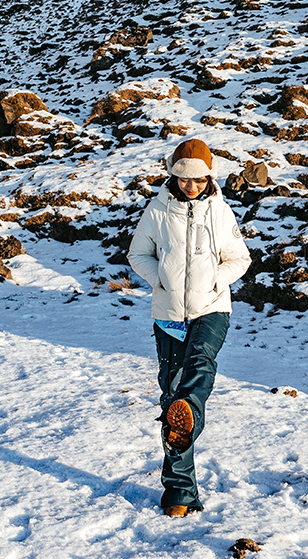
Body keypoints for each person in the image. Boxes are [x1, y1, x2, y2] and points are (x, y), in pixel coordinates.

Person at [127, 138, 251, 517]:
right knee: (171, 396)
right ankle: (180, 493)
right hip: (168, 313)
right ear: (173, 176)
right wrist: (160, 281)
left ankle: (189, 411)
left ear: (209, 177)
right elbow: (138, 254)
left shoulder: (220, 212)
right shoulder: (158, 210)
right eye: (183, 180)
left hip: (212, 307)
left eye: (198, 180)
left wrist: (216, 280)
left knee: (199, 366)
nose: (191, 187)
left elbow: (240, 258)